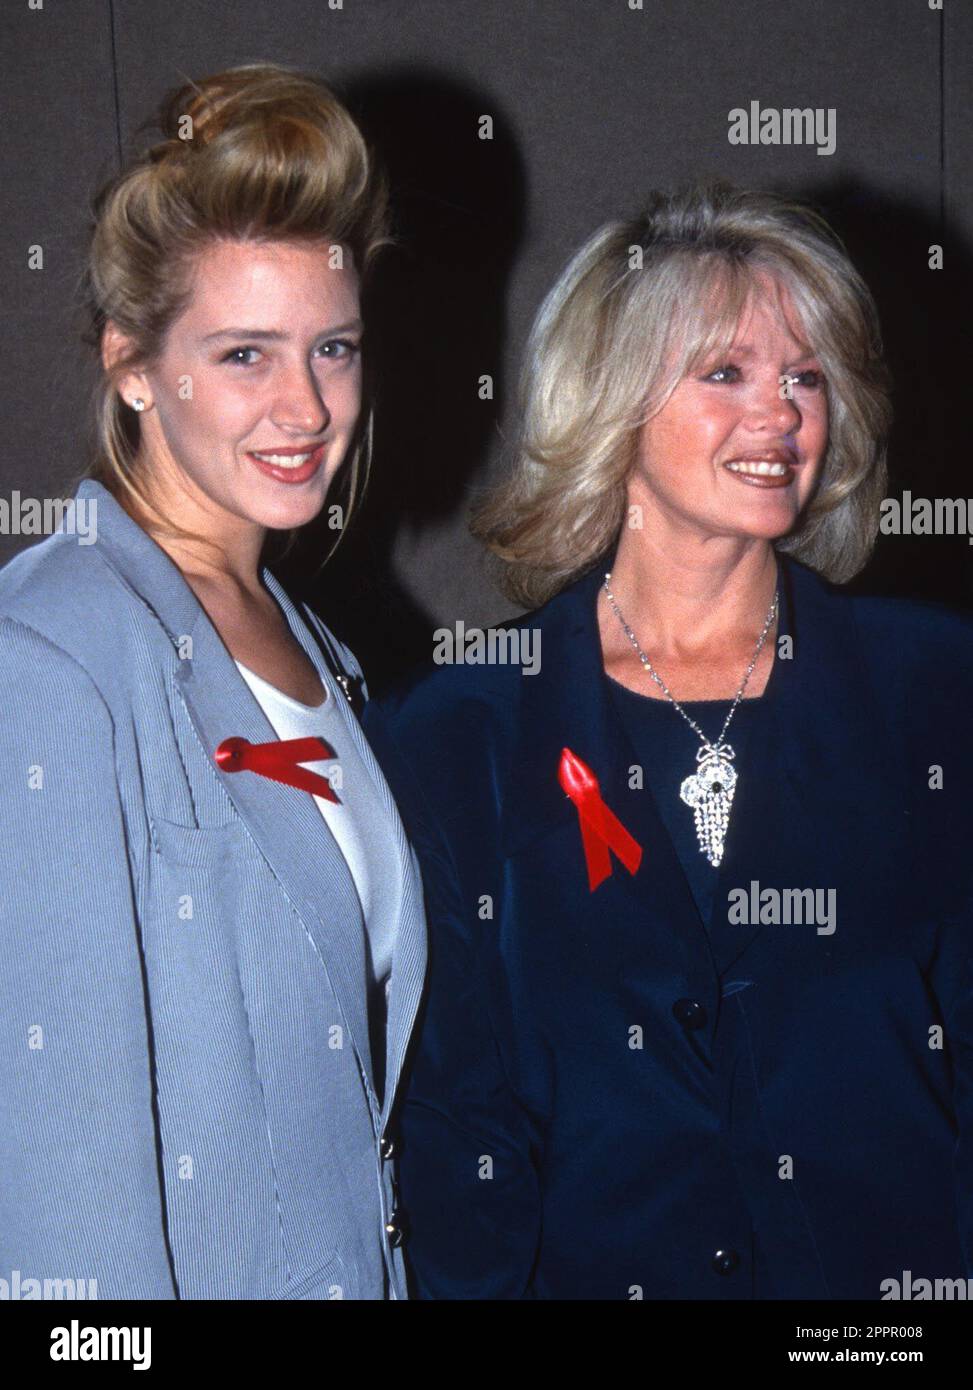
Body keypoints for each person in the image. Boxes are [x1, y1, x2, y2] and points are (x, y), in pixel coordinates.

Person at [363, 183, 973, 1299]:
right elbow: (457, 1124)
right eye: (726, 373)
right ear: (613, 399)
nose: (779, 412)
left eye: (806, 375)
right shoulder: (461, 733)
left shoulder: (934, 691)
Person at [0, 62, 426, 1300]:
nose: (305, 407)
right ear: (134, 365)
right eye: (244, 354)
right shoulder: (51, 655)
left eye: (331, 348)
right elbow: (62, 1183)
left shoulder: (312, 643)